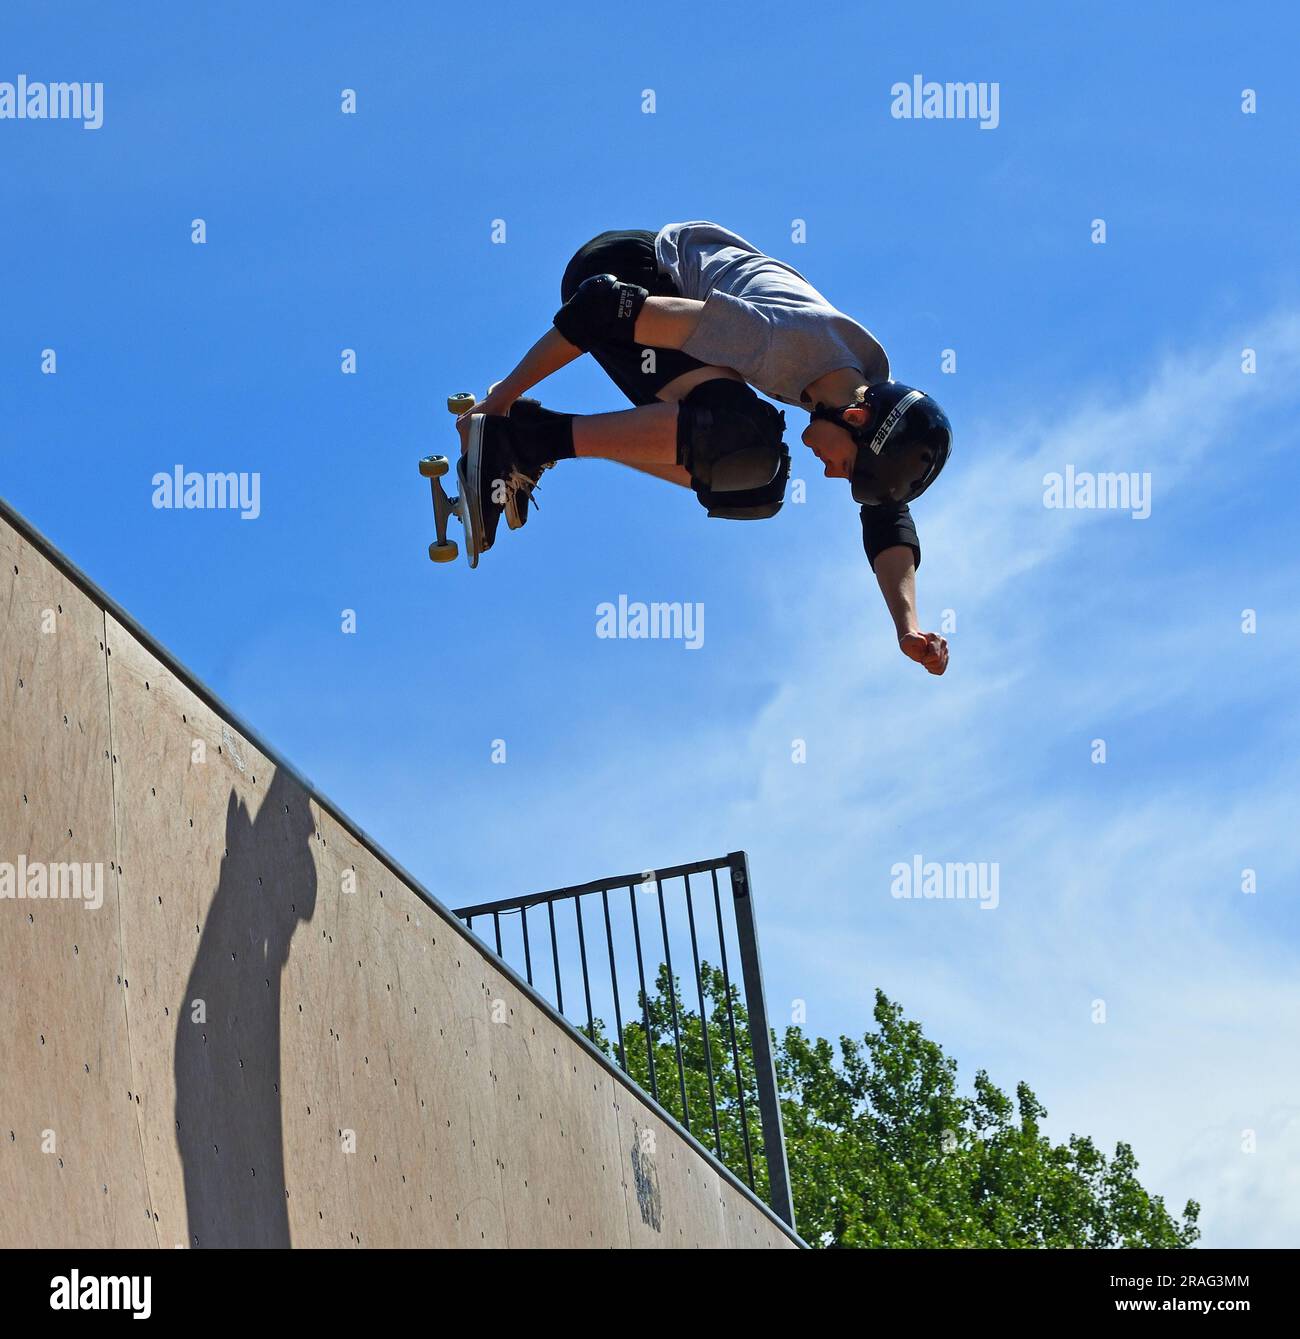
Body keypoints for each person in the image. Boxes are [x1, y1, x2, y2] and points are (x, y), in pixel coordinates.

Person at [459, 221, 952, 675]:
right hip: (632, 268)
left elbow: (887, 518)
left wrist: (906, 626)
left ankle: (536, 436)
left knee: (755, 486)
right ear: (855, 418)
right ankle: (522, 435)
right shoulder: (770, 338)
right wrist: (497, 406)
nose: (829, 475)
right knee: (739, 437)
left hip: (681, 312)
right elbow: (600, 310)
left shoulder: (864, 388)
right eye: (845, 466)